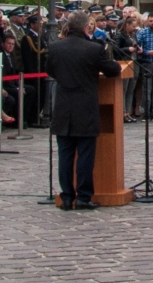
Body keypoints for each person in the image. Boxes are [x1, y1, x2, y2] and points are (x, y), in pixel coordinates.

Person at [47, 12, 123, 209]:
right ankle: (83, 197)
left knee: (65, 155)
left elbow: (50, 70)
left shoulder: (55, 47)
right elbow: (112, 70)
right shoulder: (93, 49)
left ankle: (65, 197)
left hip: (63, 106)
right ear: (85, 28)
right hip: (85, 106)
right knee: (85, 154)